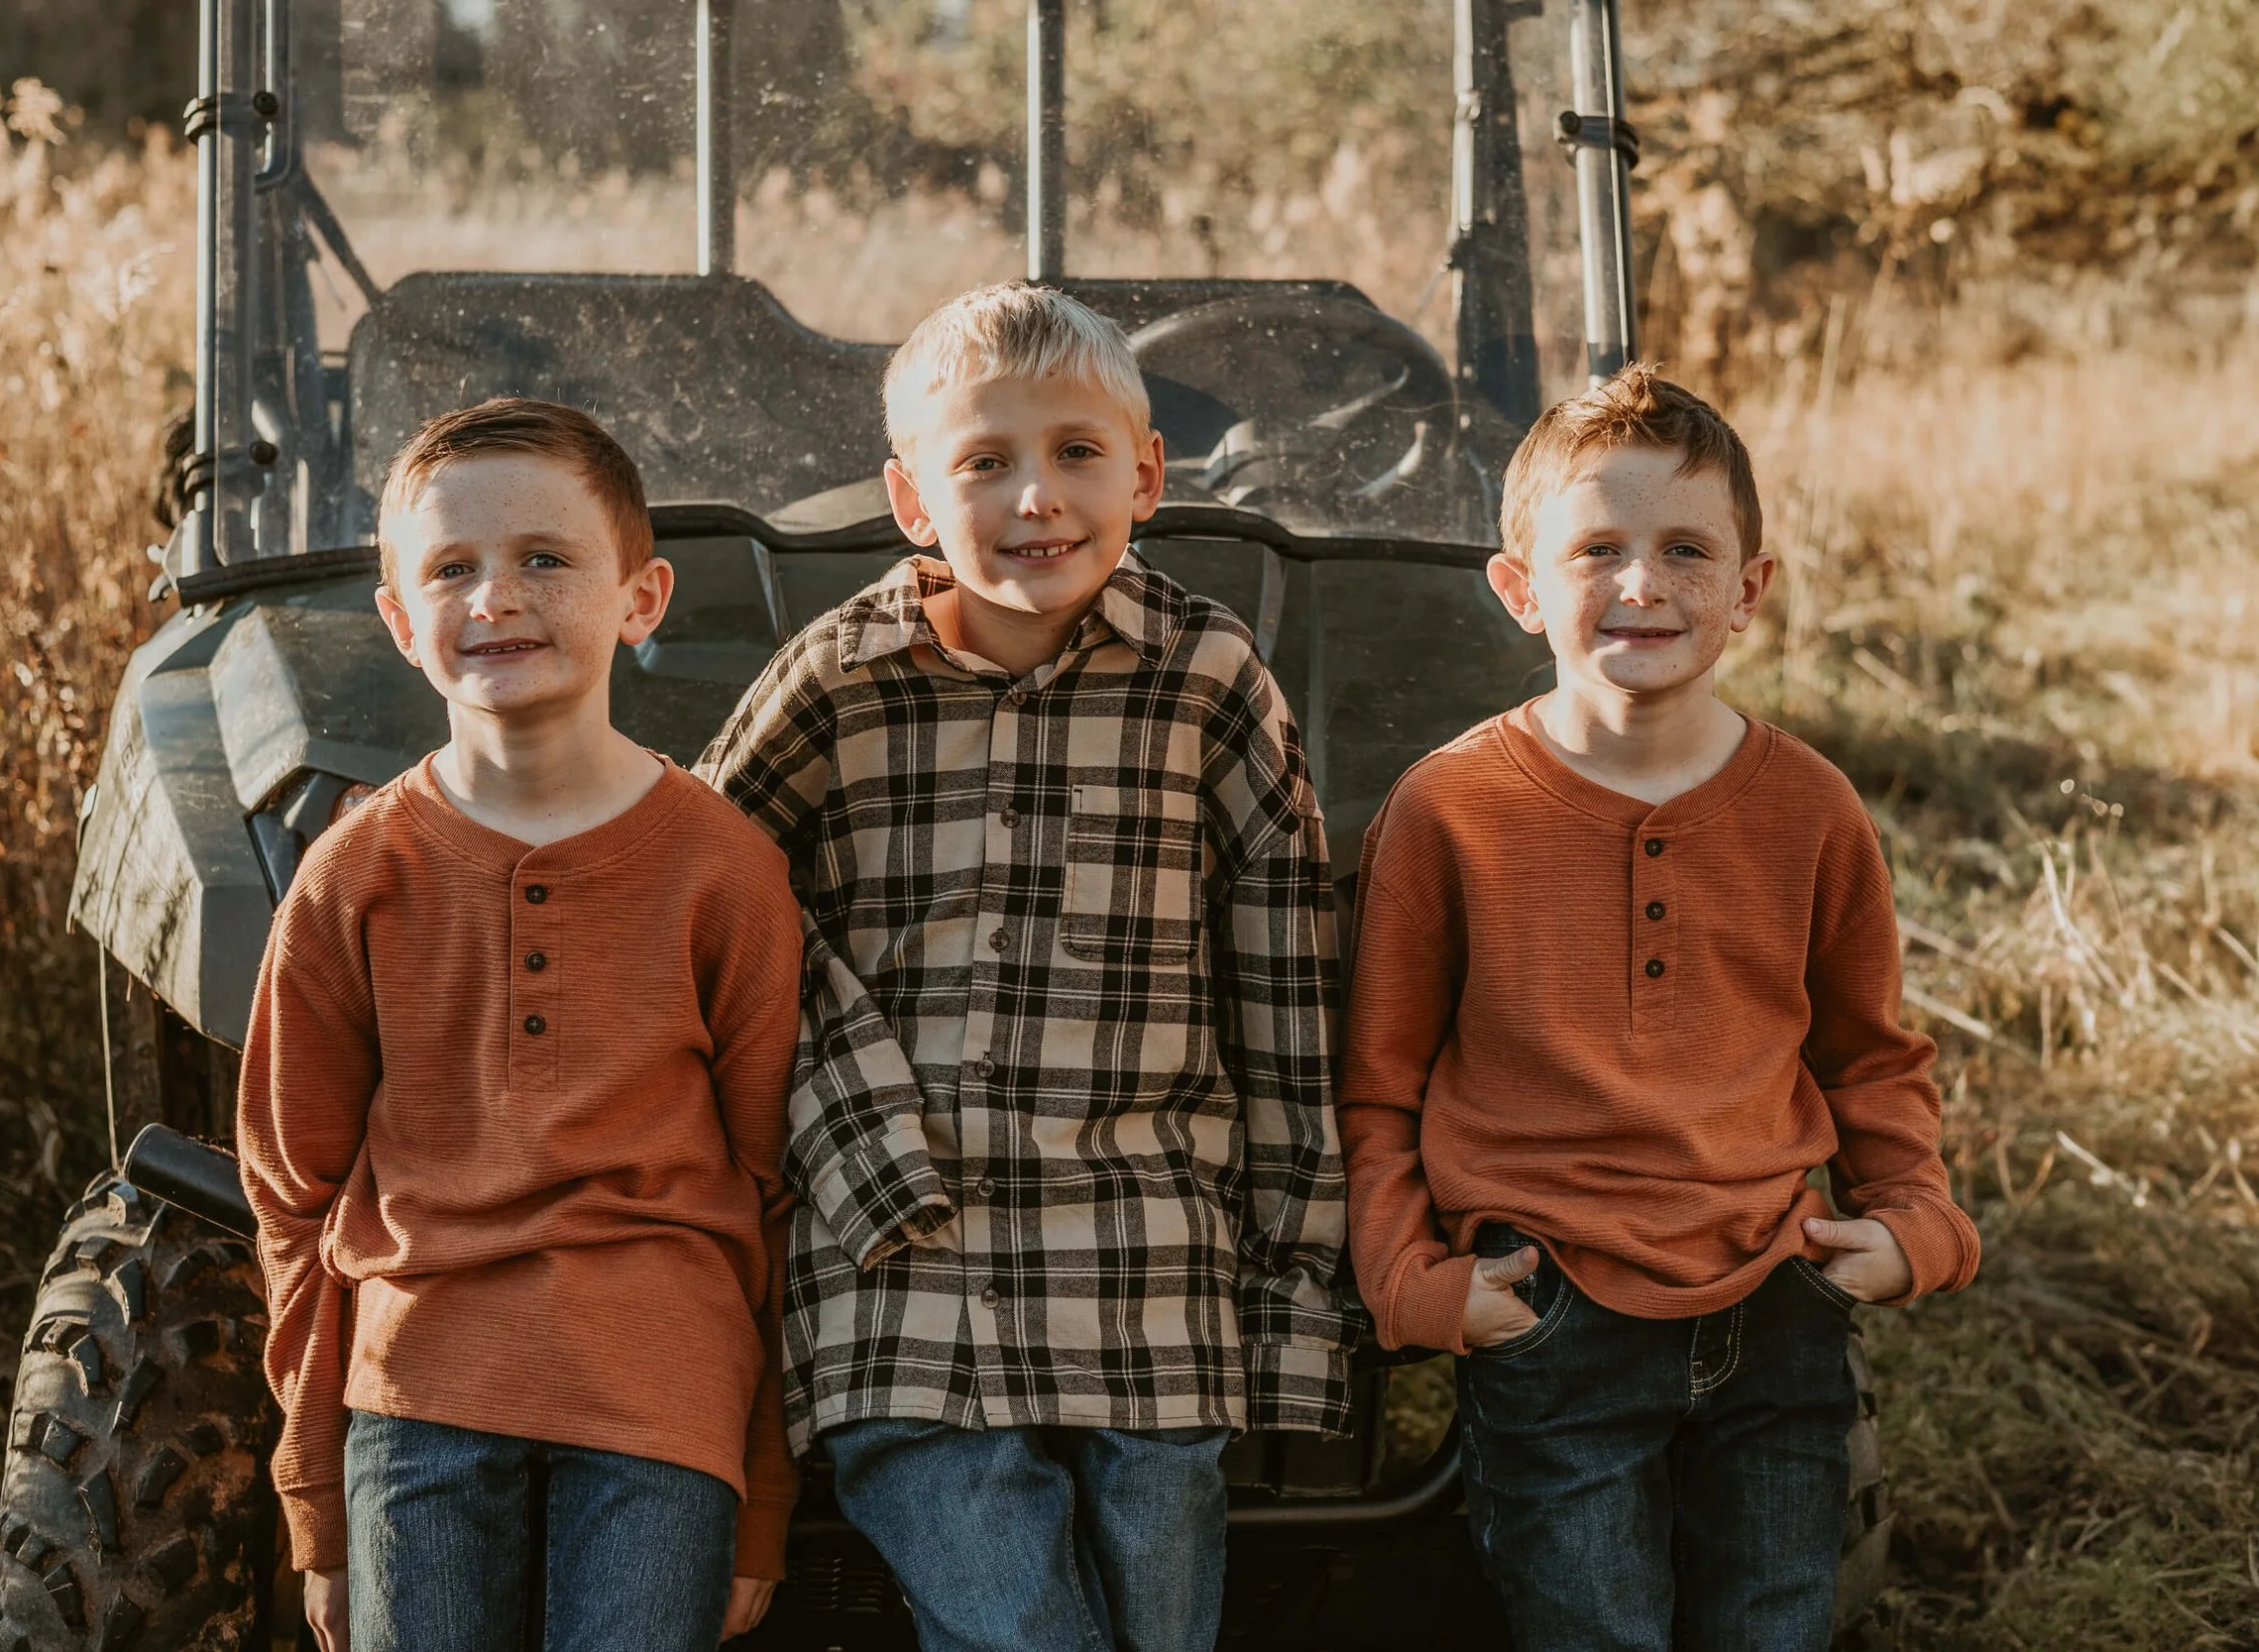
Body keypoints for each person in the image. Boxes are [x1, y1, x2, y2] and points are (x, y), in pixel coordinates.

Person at [698, 281, 1360, 1652]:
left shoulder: (1210, 678)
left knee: (1162, 1577)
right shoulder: (837, 677)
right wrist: (855, 1129)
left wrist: (1294, 1273)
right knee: (1017, 1611)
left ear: (1148, 473)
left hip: (1147, 1216)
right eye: (984, 461)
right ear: (912, 498)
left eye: (1074, 451)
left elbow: (1283, 978)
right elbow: (703, 891)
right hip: (905, 1234)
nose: (1036, 497)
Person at [1337, 363, 1982, 1650]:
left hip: (1778, 1293)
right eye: (1597, 549)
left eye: (1685, 548)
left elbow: (1869, 1051)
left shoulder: (1811, 809)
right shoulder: (1450, 809)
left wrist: (1914, 1212)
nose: (1641, 583)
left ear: (1748, 589)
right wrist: (1410, 1273)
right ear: (1521, 588)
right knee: (1594, 1623)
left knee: (1776, 1617)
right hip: (1552, 1295)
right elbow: (1382, 1078)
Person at [238, 397, 799, 1652]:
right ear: (398, 620)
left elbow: (768, 1195)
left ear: (639, 597)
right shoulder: (352, 877)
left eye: (545, 558)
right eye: (452, 568)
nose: (495, 597)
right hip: (421, 1385)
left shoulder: (725, 872)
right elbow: (292, 1194)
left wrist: (760, 1494)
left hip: (664, 1392)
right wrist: (315, 1491)